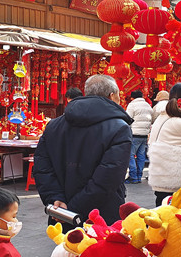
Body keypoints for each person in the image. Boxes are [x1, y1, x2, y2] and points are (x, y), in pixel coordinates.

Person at [33, 74, 133, 224]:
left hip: (61, 212)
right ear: (112, 96)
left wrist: (56, 199)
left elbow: (42, 167)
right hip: (100, 217)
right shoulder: (119, 128)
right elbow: (108, 178)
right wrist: (73, 208)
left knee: (64, 241)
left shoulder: (54, 125)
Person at [125, 90, 153, 184]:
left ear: (132, 98)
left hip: (134, 134)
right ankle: (139, 176)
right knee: (141, 156)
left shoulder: (132, 105)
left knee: (130, 155)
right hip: (144, 134)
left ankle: (133, 176)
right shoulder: (148, 105)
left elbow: (128, 118)